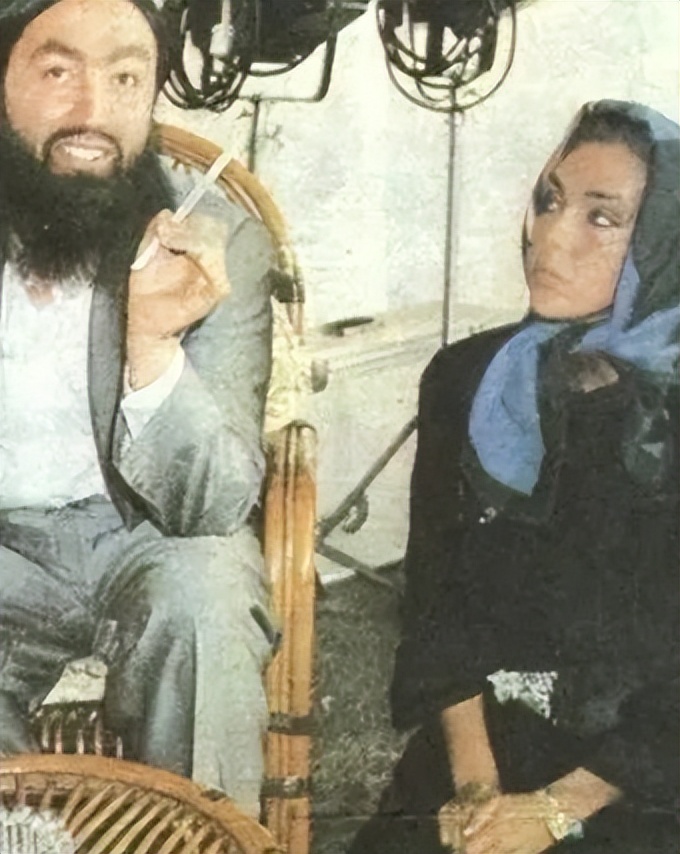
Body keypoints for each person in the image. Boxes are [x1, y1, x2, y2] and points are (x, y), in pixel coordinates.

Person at [350, 100, 679, 854]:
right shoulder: (468, 380)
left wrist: (558, 809)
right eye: (549, 201)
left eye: (602, 218)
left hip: (648, 773)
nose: (550, 237)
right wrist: (476, 789)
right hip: (490, 746)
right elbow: (436, 603)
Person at [0, 0, 276, 816]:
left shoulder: (216, 239)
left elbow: (215, 505)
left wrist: (153, 344)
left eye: (125, 78)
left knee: (207, 606)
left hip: (150, 535)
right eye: (59, 71)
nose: (93, 111)